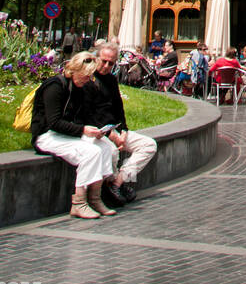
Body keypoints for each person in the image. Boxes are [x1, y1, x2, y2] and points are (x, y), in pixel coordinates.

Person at [30, 51, 117, 220]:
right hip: (46, 135)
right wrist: (82, 130)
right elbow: (53, 122)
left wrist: (96, 131)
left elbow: (82, 117)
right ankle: (79, 202)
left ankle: (95, 198)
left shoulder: (79, 88)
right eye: (85, 76)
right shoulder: (54, 87)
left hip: (65, 133)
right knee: (91, 152)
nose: (88, 80)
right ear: (75, 70)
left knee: (105, 147)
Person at [90, 42, 158, 204]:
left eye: (111, 63)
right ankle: (111, 188)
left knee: (149, 145)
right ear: (96, 58)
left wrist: (124, 130)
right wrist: (111, 135)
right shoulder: (88, 80)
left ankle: (117, 182)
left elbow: (118, 109)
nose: (106, 66)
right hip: (98, 132)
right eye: (103, 61)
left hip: (116, 130)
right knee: (111, 151)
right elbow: (89, 114)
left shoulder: (112, 80)